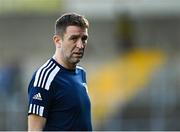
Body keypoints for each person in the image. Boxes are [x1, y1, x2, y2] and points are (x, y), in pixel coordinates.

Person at [27, 12, 92, 131]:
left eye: (84, 38)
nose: (80, 45)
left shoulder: (81, 73)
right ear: (58, 41)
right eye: (74, 38)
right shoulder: (45, 77)